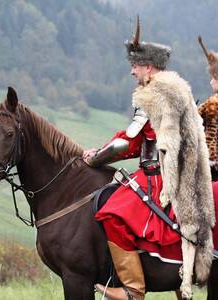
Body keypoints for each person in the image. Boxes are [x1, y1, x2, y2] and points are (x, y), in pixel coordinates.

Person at [84, 18, 214, 300]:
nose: (132, 71)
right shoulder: (176, 90)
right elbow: (143, 140)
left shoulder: (155, 94)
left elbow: (126, 143)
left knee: (112, 213)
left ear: (148, 67)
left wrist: (95, 158)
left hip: (161, 177)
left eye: (135, 66)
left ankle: (133, 289)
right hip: (177, 173)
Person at [198, 36, 218, 182]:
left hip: (212, 162)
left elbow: (193, 119)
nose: (210, 82)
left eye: (213, 78)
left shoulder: (212, 103)